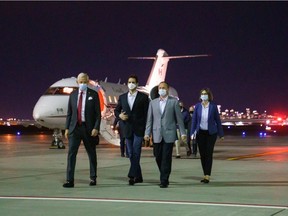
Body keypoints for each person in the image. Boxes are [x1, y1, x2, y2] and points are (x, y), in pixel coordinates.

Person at [144, 81, 186, 188]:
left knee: (166, 157)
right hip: (157, 133)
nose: (161, 90)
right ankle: (164, 172)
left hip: (169, 133)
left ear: (167, 90)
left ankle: (164, 179)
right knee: (158, 156)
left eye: (163, 88)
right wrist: (147, 133)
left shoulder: (174, 102)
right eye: (159, 88)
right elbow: (149, 120)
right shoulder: (153, 103)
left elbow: (179, 119)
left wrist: (182, 133)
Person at [63, 72, 101, 188]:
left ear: (88, 82)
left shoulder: (93, 94)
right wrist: (66, 128)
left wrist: (96, 128)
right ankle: (70, 180)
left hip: (88, 129)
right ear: (77, 82)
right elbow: (69, 113)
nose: (83, 84)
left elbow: (98, 114)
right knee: (71, 155)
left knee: (91, 154)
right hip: (75, 129)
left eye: (85, 82)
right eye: (81, 82)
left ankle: (93, 178)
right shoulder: (73, 95)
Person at [114, 74, 149, 185]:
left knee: (136, 151)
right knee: (130, 152)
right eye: (129, 82)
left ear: (137, 84)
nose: (131, 84)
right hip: (127, 128)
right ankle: (139, 176)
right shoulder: (123, 97)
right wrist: (120, 116)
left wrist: (147, 130)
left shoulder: (143, 97)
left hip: (139, 129)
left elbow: (147, 114)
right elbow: (116, 111)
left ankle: (132, 175)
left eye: (133, 82)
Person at [190, 88, 224, 184]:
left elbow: (217, 120)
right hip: (200, 133)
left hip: (211, 133)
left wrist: (221, 134)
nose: (204, 95)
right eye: (202, 94)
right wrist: (192, 133)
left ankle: (207, 175)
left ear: (209, 96)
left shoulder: (213, 107)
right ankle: (205, 173)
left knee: (209, 153)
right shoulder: (197, 106)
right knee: (203, 154)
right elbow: (194, 121)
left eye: (205, 94)